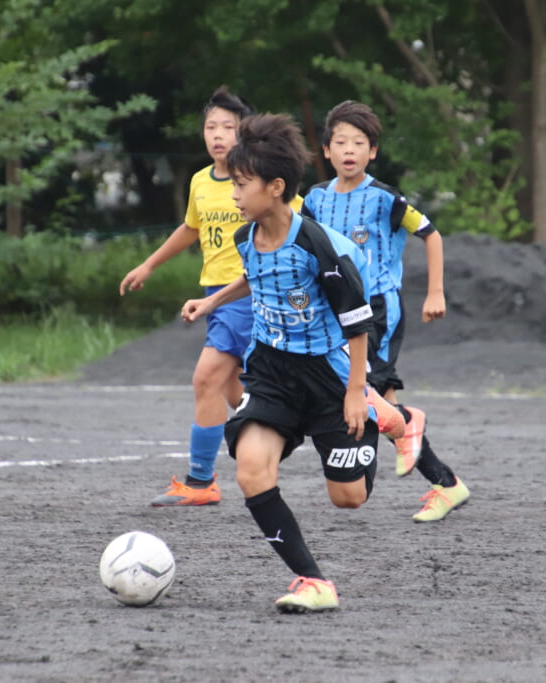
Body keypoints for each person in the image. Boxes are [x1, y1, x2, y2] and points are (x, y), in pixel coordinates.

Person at [181, 112, 379, 613]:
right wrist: (211, 301)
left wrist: (356, 392)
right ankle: (313, 581)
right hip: (272, 371)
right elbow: (256, 276)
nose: (233, 195)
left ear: (274, 187)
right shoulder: (245, 239)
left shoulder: (318, 246)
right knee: (251, 469)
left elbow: (358, 324)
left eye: (241, 185)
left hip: (329, 375)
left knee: (348, 498)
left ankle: (386, 416)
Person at [301, 100, 470, 522]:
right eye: (340, 141)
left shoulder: (385, 198)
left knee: (361, 392)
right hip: (335, 312)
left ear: (373, 151)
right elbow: (304, 248)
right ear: (326, 150)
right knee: (383, 403)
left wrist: (435, 291)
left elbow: (431, 234)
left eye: (359, 142)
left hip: (378, 310)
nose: (349, 149)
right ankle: (446, 485)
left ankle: (407, 431)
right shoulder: (315, 199)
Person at [119, 86, 255, 507]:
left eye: (227, 127)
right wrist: (148, 265)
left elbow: (295, 215)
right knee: (238, 391)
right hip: (215, 295)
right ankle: (280, 428)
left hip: (246, 294)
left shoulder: (255, 177)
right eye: (211, 127)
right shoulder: (200, 180)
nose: (217, 135)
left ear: (243, 133)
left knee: (205, 379)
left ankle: (201, 482)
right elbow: (190, 229)